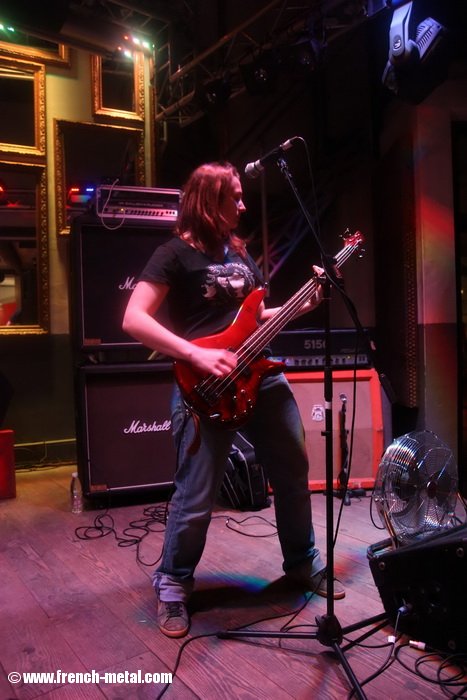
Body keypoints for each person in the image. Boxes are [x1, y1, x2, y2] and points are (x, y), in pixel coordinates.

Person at [122, 161, 345, 639]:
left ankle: (302, 562)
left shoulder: (239, 253)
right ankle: (174, 584)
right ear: (210, 201)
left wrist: (300, 305)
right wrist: (194, 354)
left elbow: (254, 315)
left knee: (292, 470)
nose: (243, 206)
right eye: (235, 197)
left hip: (258, 375)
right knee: (196, 491)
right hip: (204, 384)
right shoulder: (173, 254)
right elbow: (134, 318)